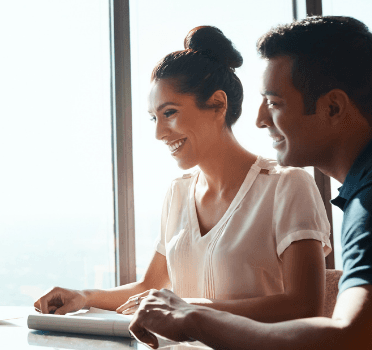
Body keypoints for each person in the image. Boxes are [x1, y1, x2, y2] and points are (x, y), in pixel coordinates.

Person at [130, 16, 372, 349]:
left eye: (275, 103)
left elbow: (357, 339)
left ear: (333, 106)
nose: (260, 119)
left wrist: (195, 317)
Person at [36, 26, 330, 323]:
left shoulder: (287, 186)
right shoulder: (178, 193)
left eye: (169, 113)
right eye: (154, 118)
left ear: (218, 104)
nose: (159, 133)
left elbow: (304, 307)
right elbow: (150, 288)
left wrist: (188, 308)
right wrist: (84, 296)